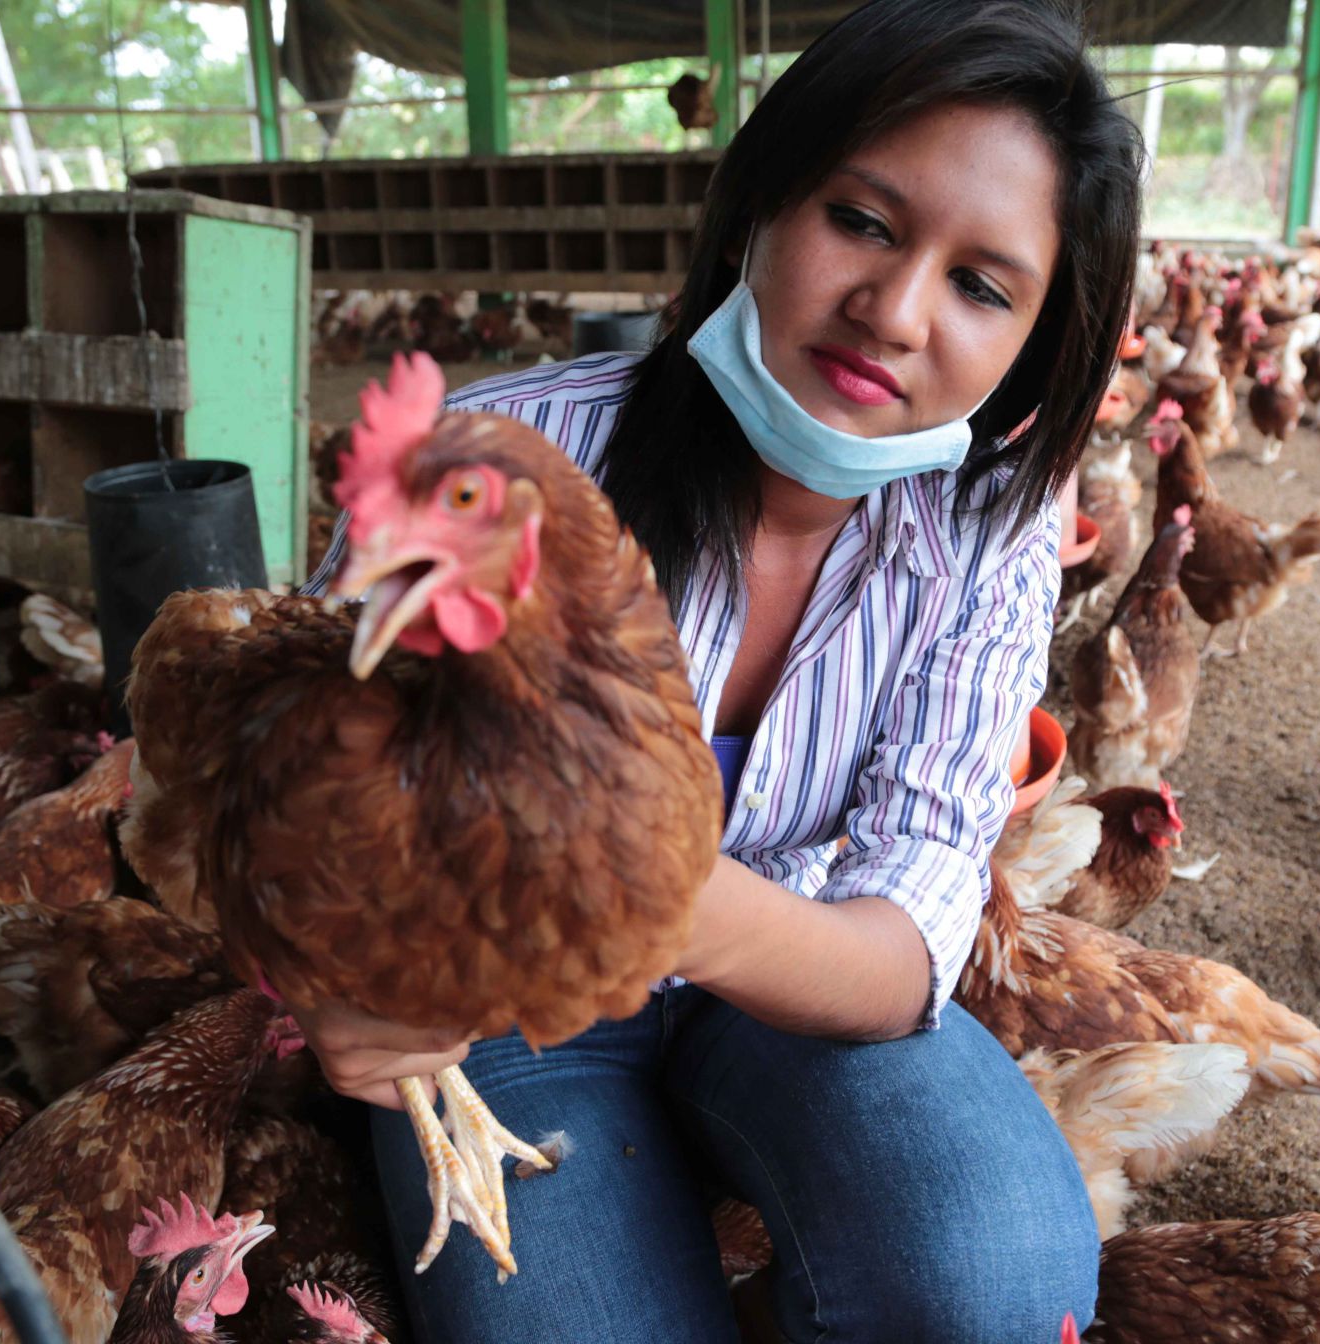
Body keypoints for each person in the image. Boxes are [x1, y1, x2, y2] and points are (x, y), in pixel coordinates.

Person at [296, 1, 1144, 1337]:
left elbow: (908, 936)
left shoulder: (997, 526)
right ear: (759, 202)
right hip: (502, 999)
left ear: (1035, 349)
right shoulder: (496, 468)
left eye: (983, 286)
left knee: (995, 1274)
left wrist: (641, 890)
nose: (895, 309)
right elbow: (307, 799)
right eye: (860, 220)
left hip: (801, 970)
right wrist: (343, 982)